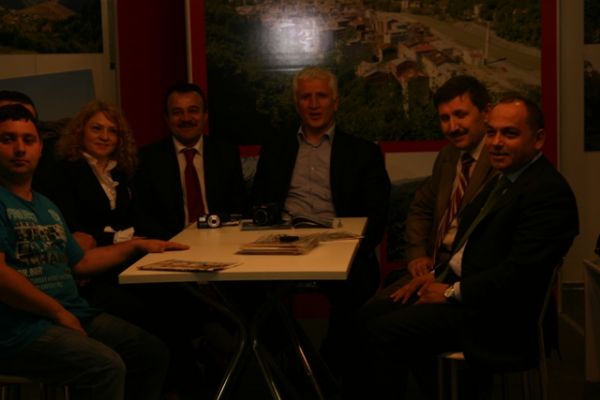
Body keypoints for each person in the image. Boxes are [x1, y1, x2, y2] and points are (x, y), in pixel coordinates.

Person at [342, 96, 579, 399]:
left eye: (509, 133)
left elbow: (520, 275)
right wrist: (435, 276)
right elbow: (471, 247)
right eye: (491, 132)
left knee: (381, 333)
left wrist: (450, 292)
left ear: (538, 139)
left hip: (499, 318)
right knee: (364, 318)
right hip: (473, 295)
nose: (496, 143)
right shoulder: (507, 179)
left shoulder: (548, 193)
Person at [0, 104, 189, 399]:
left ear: (40, 148)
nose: (20, 148)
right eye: (8, 139)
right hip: (20, 327)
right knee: (106, 366)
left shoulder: (46, 205)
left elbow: (82, 262)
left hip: (70, 312)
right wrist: (58, 312)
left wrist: (137, 245)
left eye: (28, 140)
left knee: (151, 353)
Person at [252, 66, 391, 374]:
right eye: (306, 97)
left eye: (321, 96)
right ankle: (297, 365)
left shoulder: (364, 152)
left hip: (340, 245)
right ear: (297, 103)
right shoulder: (276, 149)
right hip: (283, 244)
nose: (314, 105)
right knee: (258, 297)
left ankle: (324, 368)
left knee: (356, 295)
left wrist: (352, 247)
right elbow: (258, 201)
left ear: (335, 102)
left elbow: (378, 215)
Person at [404, 75, 496, 278]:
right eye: (445, 119)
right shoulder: (448, 155)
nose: (453, 127)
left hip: (471, 276)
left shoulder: (500, 160)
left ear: (487, 113)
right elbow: (421, 208)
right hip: (432, 266)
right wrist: (417, 255)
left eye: (460, 115)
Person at [132, 83, 247, 240]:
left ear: (205, 115)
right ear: (167, 118)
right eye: (177, 112)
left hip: (222, 240)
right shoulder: (147, 159)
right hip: (169, 243)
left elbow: (238, 209)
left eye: (193, 110)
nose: (186, 118)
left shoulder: (226, 154)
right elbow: (144, 218)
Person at [43, 100, 137, 247]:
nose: (105, 137)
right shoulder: (64, 171)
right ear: (80, 131)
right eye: (96, 128)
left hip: (127, 249)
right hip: (88, 254)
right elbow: (71, 228)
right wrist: (117, 238)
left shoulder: (121, 171)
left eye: (112, 131)